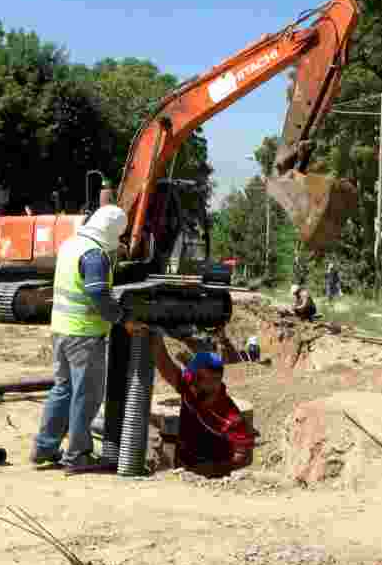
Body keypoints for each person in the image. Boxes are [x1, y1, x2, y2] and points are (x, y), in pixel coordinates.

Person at [31, 204, 148, 472]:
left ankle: (45, 448)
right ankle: (77, 456)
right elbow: (98, 297)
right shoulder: (94, 256)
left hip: (61, 329)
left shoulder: (71, 244)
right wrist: (124, 320)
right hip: (84, 335)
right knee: (86, 395)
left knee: (62, 389)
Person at [148, 333, 255, 477]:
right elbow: (166, 368)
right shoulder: (192, 389)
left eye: (196, 379)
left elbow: (245, 456)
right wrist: (156, 339)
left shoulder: (230, 417)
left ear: (216, 380)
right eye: (191, 378)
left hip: (210, 481)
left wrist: (210, 470)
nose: (190, 382)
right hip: (182, 471)